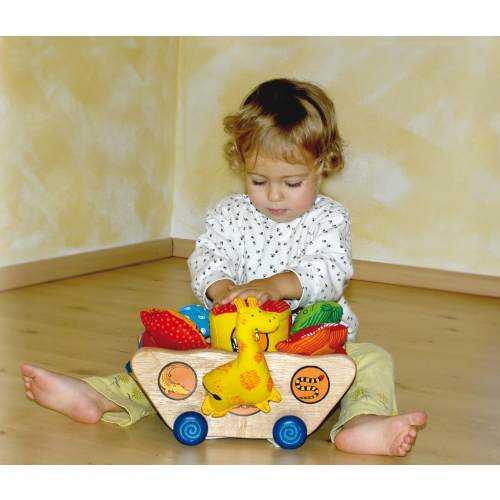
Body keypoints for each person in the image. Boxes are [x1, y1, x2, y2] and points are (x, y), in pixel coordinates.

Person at [21, 78, 427, 456]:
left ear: (325, 165)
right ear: (242, 163)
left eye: (292, 183)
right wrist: (221, 291)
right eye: (258, 180)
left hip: (307, 344)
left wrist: (276, 286)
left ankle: (361, 421)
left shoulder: (329, 218)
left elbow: (329, 269)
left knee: (370, 359)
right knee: (166, 355)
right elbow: (207, 256)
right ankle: (103, 396)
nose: (274, 195)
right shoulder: (230, 214)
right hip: (227, 342)